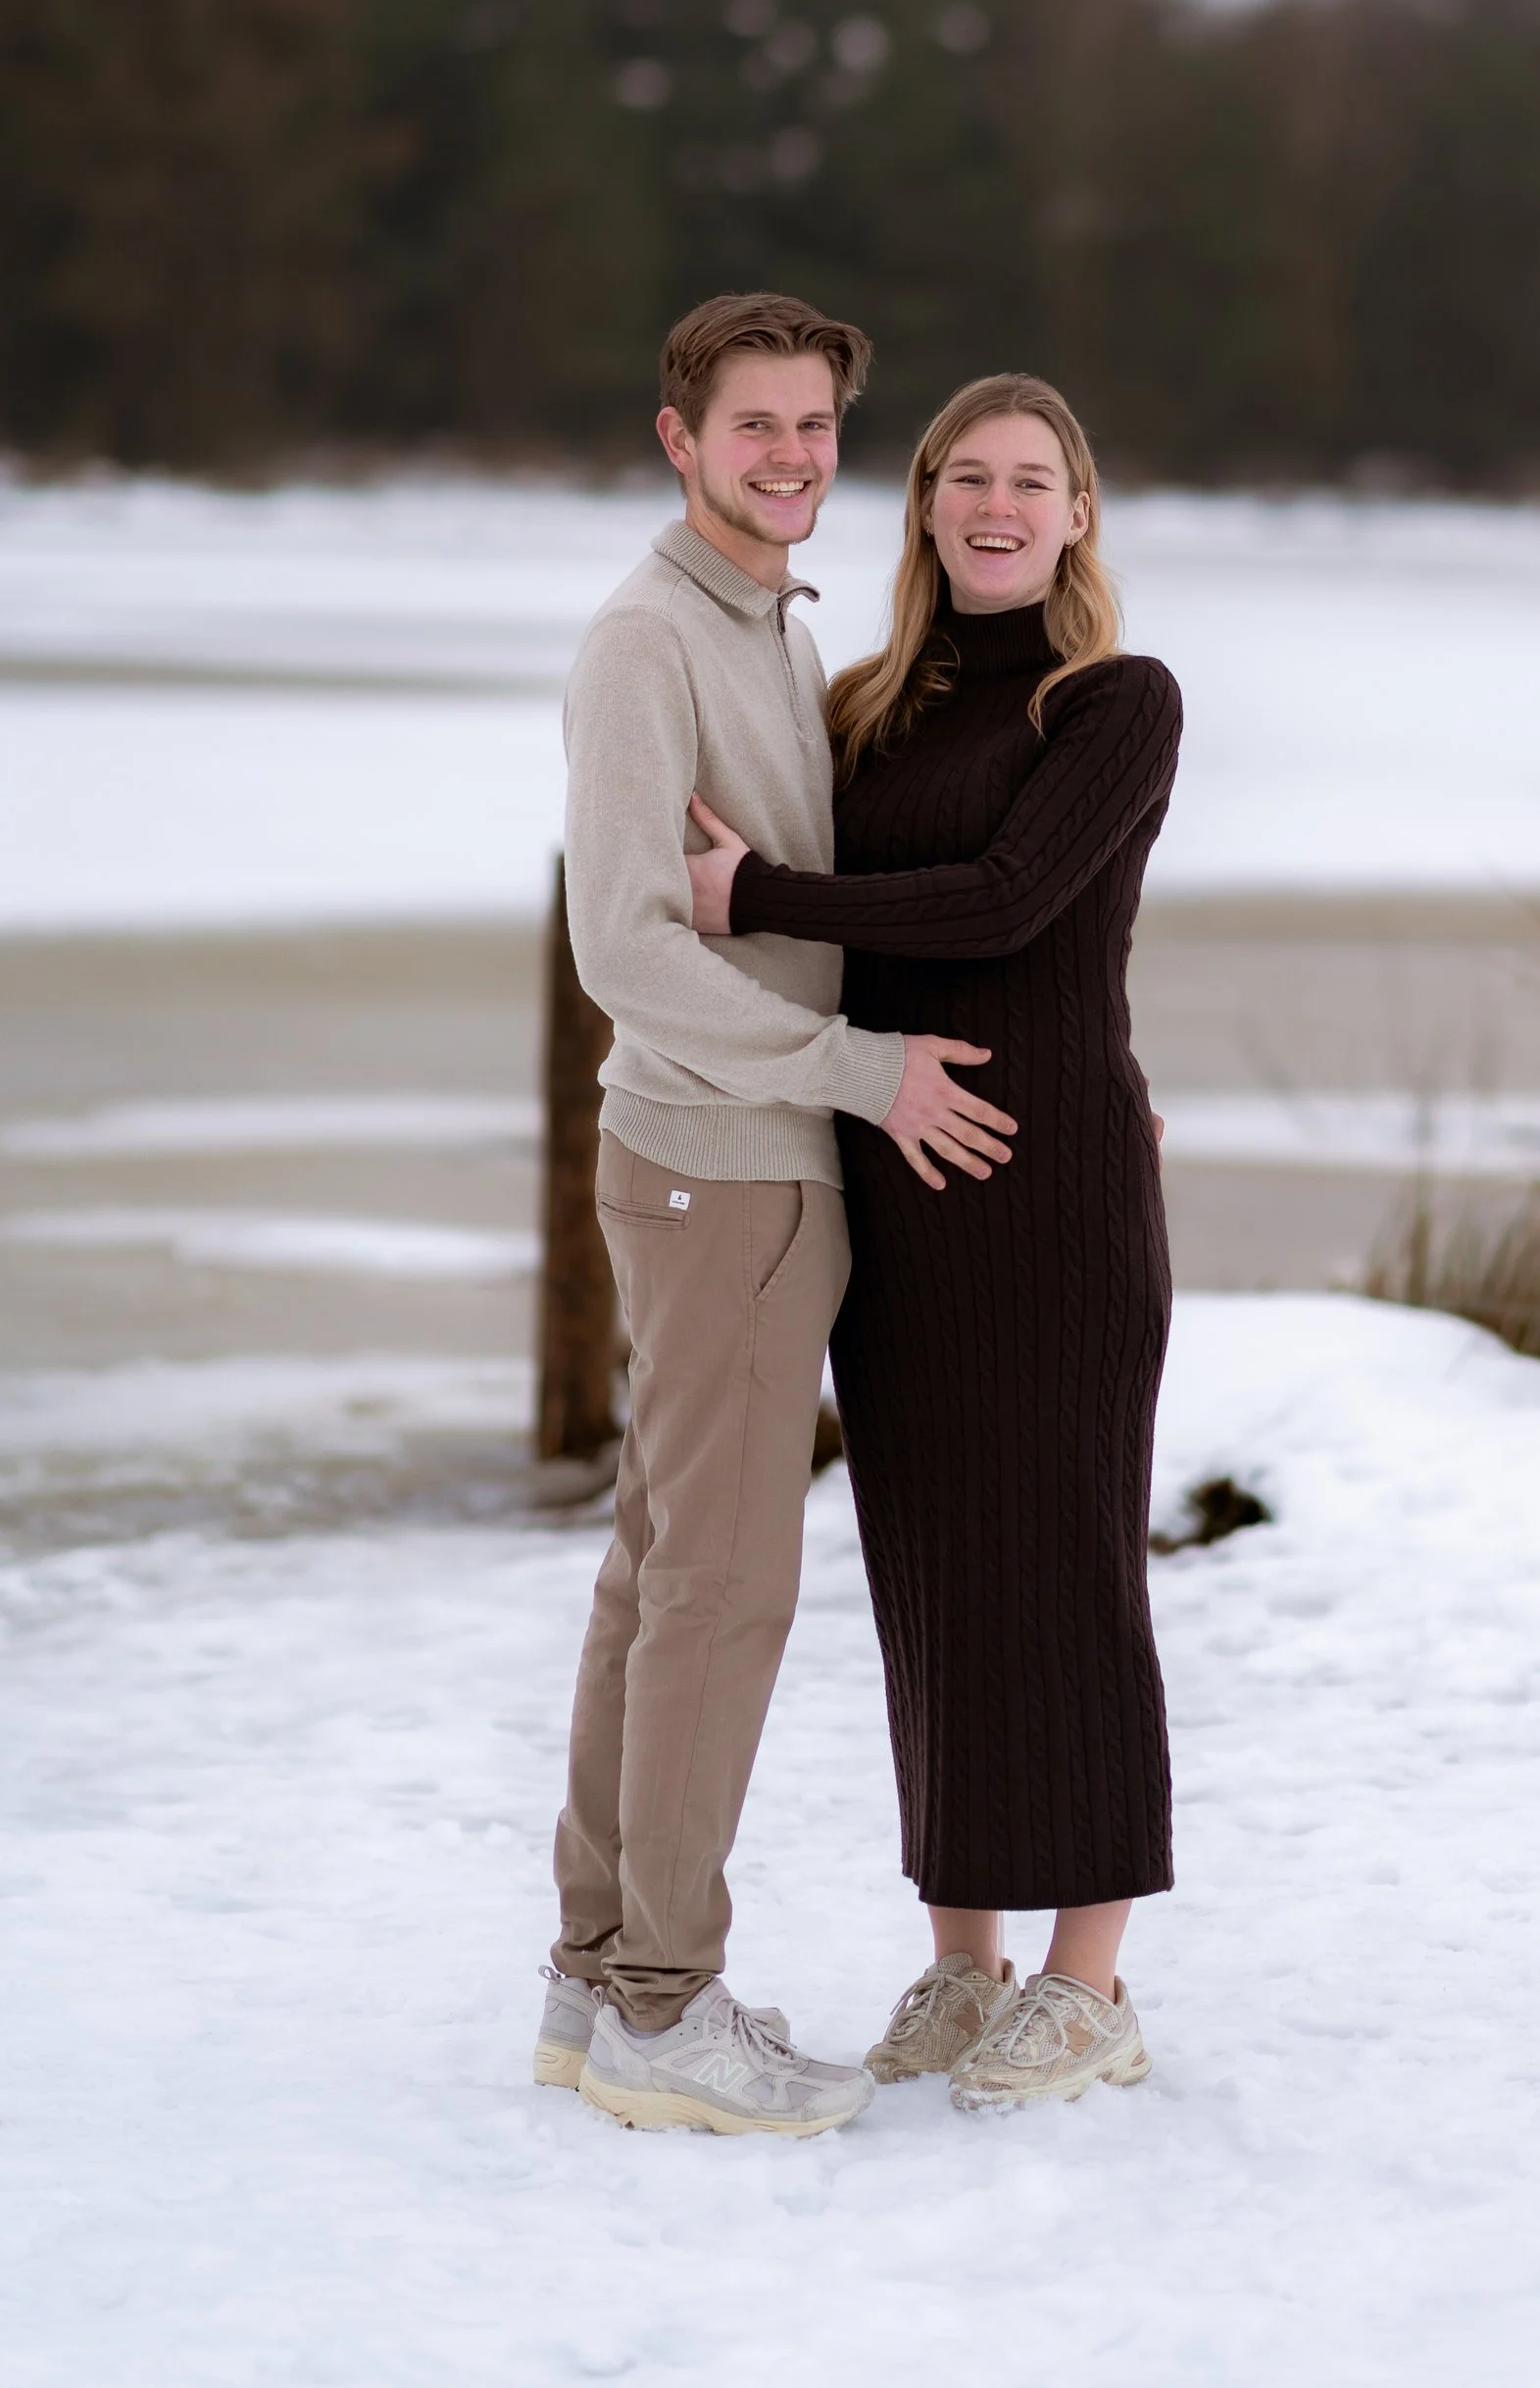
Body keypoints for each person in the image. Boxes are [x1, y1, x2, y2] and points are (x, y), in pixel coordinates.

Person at [535, 290, 1016, 2140]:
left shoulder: (770, 627)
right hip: (715, 1165)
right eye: (756, 425)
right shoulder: (648, 640)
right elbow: (624, 947)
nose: (794, 456)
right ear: (680, 438)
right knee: (720, 1592)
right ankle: (665, 2003)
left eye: (817, 425)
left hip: (737, 1166)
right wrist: (856, 1066)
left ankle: (600, 1980)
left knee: (661, 1574)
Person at [684, 370, 1182, 2113]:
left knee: (1069, 1572)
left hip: (1051, 1199)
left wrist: (758, 894)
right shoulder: (861, 709)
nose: (995, 503)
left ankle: (1088, 1982)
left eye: (1030, 479)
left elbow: (1008, 903)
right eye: (963, 475)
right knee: (935, 1582)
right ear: (922, 507)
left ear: (1077, 511)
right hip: (895, 1193)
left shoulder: (1115, 701)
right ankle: (967, 1962)